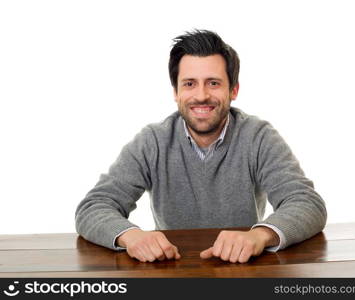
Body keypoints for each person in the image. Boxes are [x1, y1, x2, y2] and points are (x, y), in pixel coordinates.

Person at [75, 29, 327, 264]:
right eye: (189, 83)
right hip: (171, 271)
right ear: (176, 91)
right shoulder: (152, 141)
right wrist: (131, 236)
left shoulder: (258, 137)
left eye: (213, 83)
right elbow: (94, 206)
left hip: (244, 271)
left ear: (234, 90)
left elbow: (306, 202)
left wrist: (259, 236)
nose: (201, 95)